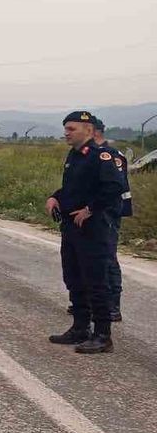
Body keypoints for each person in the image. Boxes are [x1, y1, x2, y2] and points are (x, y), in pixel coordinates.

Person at [46, 111, 124, 354]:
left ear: (88, 130)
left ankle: (103, 335)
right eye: (66, 129)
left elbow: (114, 188)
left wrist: (90, 210)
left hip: (93, 229)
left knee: (95, 281)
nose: (66, 133)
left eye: (72, 129)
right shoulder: (75, 155)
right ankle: (80, 328)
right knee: (74, 278)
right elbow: (73, 187)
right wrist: (55, 197)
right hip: (71, 228)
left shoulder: (103, 156)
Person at [90, 116, 129, 323]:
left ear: (94, 131)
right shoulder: (87, 154)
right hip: (90, 213)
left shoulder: (112, 155)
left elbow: (114, 187)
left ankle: (113, 305)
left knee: (107, 257)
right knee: (89, 257)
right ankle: (91, 302)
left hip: (107, 213)